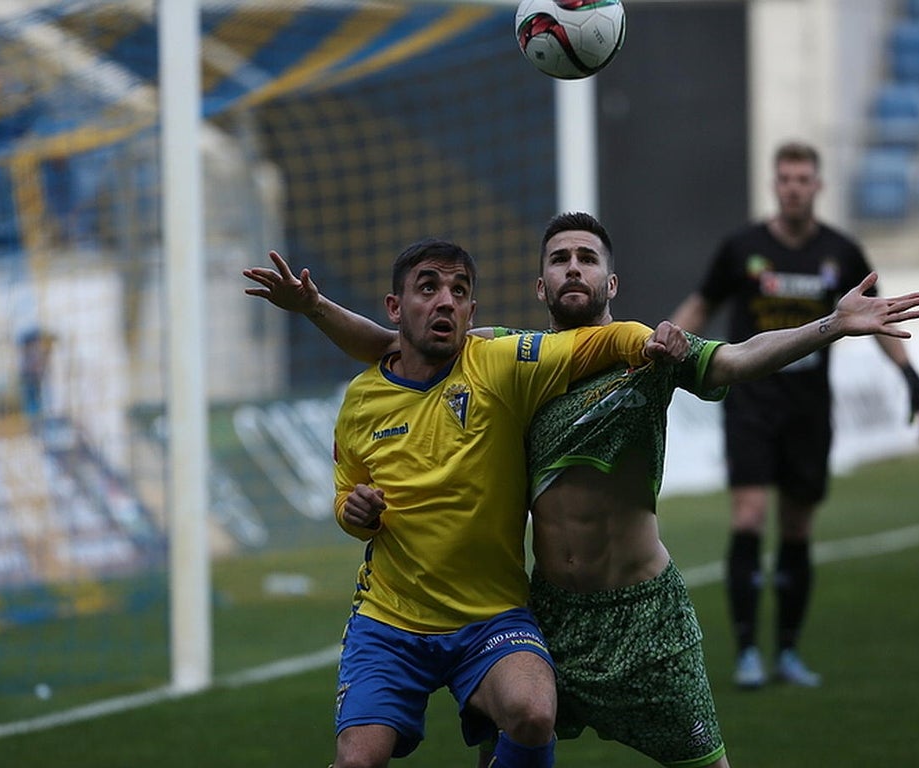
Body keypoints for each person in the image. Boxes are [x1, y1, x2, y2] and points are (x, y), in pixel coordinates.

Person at [244, 213, 919, 768]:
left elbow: (740, 361)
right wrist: (314, 308)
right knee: (511, 727)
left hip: (646, 618)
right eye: (560, 258)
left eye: (587, 257)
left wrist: (830, 326)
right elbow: (397, 344)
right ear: (540, 286)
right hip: (551, 613)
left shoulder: (651, 349)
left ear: (610, 280)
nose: (574, 266)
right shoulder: (503, 359)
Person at [283, 237, 689, 768]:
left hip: (491, 617)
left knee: (534, 712)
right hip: (390, 620)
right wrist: (353, 511)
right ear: (394, 307)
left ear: (472, 311)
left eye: (459, 290)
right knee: (359, 761)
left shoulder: (501, 365)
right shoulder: (361, 401)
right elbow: (345, 494)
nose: (445, 301)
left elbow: (601, 342)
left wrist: (650, 342)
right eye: (428, 288)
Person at [669, 140, 919, 689]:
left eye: (803, 179)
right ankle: (747, 652)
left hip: (809, 408)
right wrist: (659, 346)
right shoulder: (742, 247)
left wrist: (909, 375)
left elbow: (877, 317)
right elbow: (701, 304)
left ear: (817, 187)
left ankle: (787, 651)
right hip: (752, 401)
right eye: (785, 179)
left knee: (797, 525)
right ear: (775, 185)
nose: (793, 188)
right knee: (747, 516)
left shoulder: (842, 252)